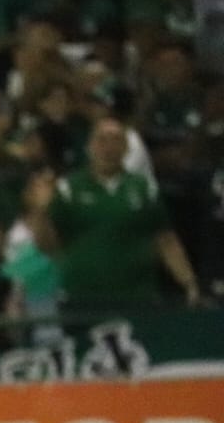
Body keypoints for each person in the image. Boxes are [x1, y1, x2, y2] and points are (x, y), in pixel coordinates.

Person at [35, 116, 203, 314]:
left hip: (137, 298)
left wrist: (189, 282)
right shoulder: (69, 189)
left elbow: (165, 240)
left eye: (116, 140)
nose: (108, 147)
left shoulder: (144, 188)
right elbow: (47, 246)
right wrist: (41, 212)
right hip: (82, 298)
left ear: (126, 148)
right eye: (102, 140)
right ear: (89, 146)